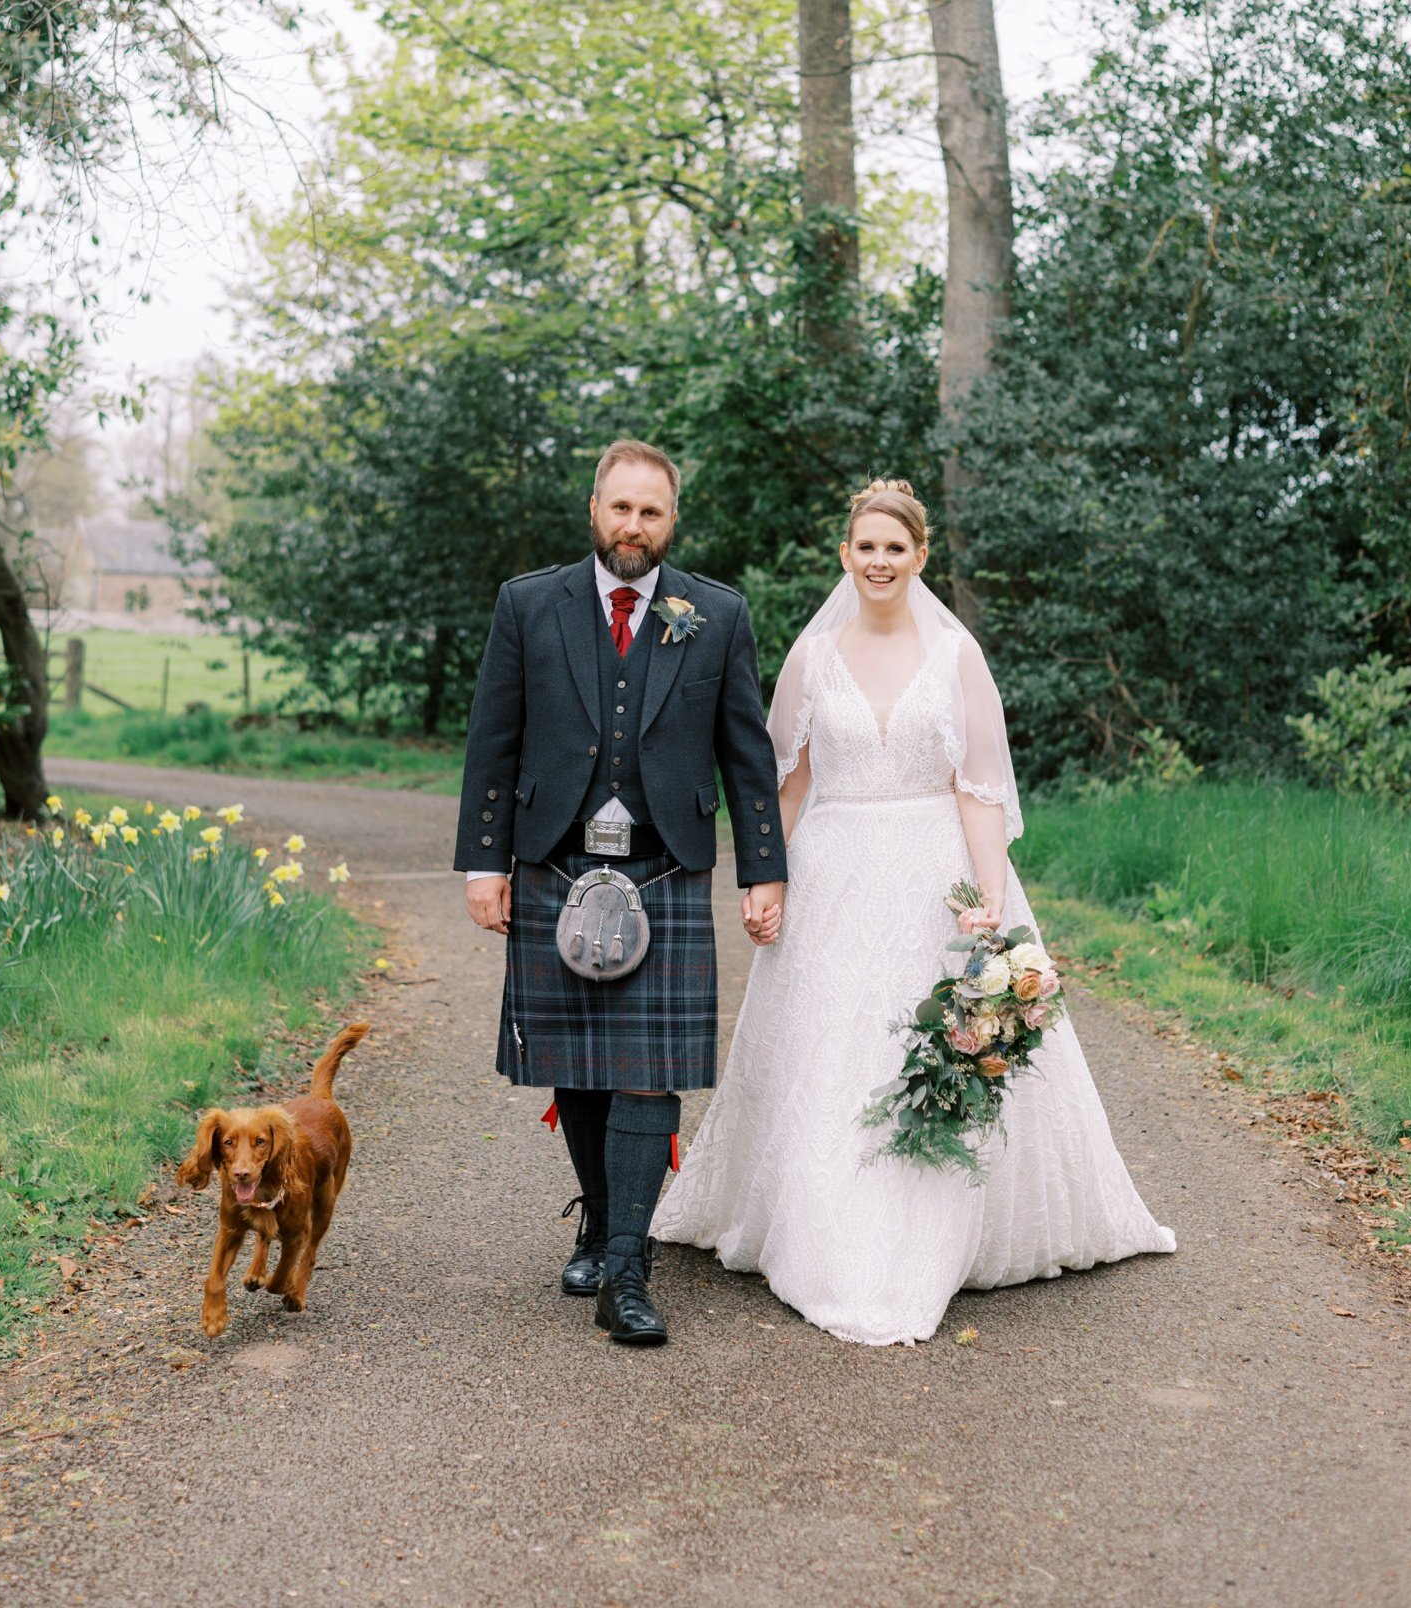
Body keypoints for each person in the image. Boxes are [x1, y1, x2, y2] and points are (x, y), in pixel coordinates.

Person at [654, 478, 1175, 1345]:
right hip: (834, 875)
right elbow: (782, 783)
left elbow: (977, 788)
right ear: (845, 555)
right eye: (866, 547)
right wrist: (764, 877)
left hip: (937, 880)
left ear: (920, 556)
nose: (880, 562)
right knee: (830, 1053)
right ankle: (824, 1236)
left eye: (895, 548)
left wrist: (991, 908)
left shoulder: (956, 654)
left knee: (931, 1043)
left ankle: (935, 1234)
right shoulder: (814, 658)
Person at [455, 438, 787, 1346]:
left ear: (671, 522)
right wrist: (484, 863)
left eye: (651, 512)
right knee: (581, 1061)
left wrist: (765, 868)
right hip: (552, 859)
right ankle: (601, 1223)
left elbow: (746, 753)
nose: (633, 526)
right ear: (593, 510)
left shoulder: (713, 613)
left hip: (667, 864)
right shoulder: (530, 604)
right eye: (620, 508)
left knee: (651, 1072)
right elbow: (495, 738)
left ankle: (629, 1267)